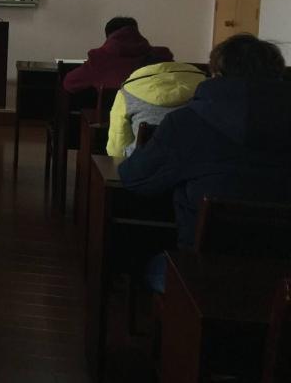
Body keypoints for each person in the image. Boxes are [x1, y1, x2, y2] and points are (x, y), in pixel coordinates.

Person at [120, 34, 291, 290]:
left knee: (138, 256)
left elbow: (135, 178)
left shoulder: (186, 123)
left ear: (216, 74)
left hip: (200, 277)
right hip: (283, 284)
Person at [106, 61, 207, 157]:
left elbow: (117, 147)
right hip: (201, 162)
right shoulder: (207, 86)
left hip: (145, 164)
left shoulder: (126, 93)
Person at [63, 16, 173, 94]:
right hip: (157, 117)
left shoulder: (100, 58)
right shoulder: (162, 56)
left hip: (109, 118)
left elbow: (70, 83)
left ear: (109, 37)